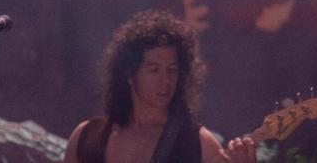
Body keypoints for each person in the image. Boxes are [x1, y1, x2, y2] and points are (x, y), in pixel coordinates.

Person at [64, 10, 257, 163]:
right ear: (129, 74)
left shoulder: (197, 144)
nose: (166, 80)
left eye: (172, 70)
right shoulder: (86, 137)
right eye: (154, 70)